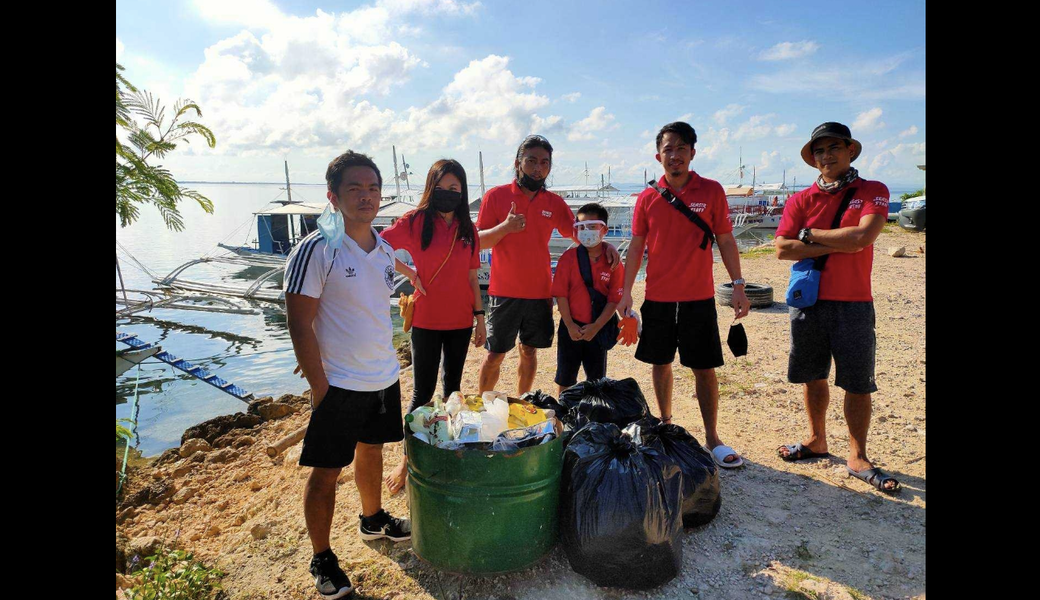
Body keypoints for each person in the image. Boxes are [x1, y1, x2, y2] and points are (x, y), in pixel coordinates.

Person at [284, 150, 411, 600]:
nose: (366, 196)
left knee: (372, 448)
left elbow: (378, 307)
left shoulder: (385, 250)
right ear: (333, 196)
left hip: (382, 375)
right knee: (325, 472)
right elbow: (298, 322)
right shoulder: (317, 248)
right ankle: (322, 557)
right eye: (355, 188)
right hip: (337, 382)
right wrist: (319, 387)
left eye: (373, 188)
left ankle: (373, 518)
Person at [774, 122, 899, 494]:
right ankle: (817, 440)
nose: (826, 156)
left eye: (833, 148)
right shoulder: (800, 200)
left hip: (855, 303)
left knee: (857, 382)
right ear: (814, 159)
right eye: (819, 151)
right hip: (809, 303)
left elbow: (864, 237)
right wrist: (841, 243)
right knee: (813, 375)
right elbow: (781, 249)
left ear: (850, 151)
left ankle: (858, 454)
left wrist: (808, 235)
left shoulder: (873, 190)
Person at [616, 121, 750, 469]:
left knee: (704, 368)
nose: (674, 155)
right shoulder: (647, 198)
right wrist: (626, 292)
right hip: (659, 296)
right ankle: (665, 423)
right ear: (658, 155)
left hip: (699, 297)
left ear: (692, 152)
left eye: (680, 148)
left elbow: (725, 239)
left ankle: (712, 437)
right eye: (667, 149)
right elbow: (636, 247)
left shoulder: (712, 191)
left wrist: (738, 285)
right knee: (660, 363)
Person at [475, 135, 619, 395]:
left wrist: (605, 244)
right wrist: (505, 228)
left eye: (544, 162)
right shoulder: (496, 196)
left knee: (529, 351)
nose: (537, 168)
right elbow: (478, 242)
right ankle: (481, 402)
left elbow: (581, 235)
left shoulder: (553, 203)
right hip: (503, 291)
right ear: (518, 163)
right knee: (495, 354)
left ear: (550, 167)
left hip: (540, 292)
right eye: (531, 161)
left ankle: (522, 401)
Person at [379, 159, 486, 494]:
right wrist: (409, 274)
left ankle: (446, 448)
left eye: (455, 189)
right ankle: (407, 460)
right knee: (421, 393)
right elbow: (379, 244)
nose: (449, 194)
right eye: (443, 188)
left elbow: (472, 278)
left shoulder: (468, 230)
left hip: (460, 321)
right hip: (425, 320)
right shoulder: (415, 221)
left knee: (452, 389)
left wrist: (481, 318)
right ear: (431, 187)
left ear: (462, 192)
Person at [551, 202, 626, 396]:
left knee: (596, 381)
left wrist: (596, 326)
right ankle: (563, 418)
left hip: (598, 328)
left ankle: (592, 420)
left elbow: (613, 299)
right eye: (581, 227)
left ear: (604, 229)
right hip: (570, 327)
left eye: (592, 226)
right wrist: (569, 324)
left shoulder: (613, 262)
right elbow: (561, 294)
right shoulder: (568, 258)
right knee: (565, 379)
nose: (587, 231)